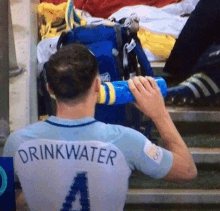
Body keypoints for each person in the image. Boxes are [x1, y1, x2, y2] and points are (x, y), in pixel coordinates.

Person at [3, 43, 197, 211]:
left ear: (50, 89)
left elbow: (5, 202)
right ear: (97, 85)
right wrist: (159, 114)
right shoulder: (127, 141)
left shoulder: (16, 142)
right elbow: (187, 171)